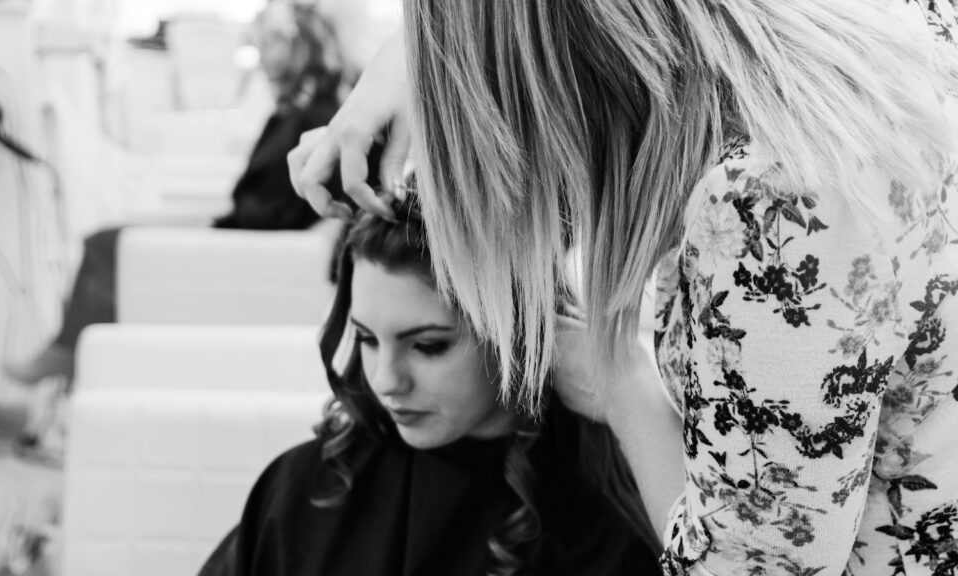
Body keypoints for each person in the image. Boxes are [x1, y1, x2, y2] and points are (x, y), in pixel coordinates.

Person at [287, 1, 958, 574]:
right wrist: (416, 55)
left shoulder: (772, 199)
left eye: (430, 344)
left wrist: (622, 385)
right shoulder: (898, 36)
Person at [198, 193, 662, 576]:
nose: (386, 381)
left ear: (520, 335)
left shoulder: (604, 523)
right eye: (367, 339)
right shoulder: (307, 489)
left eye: (428, 346)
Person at [4, 1, 357, 388]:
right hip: (244, 235)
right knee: (108, 238)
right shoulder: (296, 112)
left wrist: (215, 223)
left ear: (300, 46)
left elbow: (277, 210)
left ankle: (67, 355)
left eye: (270, 44)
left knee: (104, 246)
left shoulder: (314, 119)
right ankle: (71, 358)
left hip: (254, 250)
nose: (261, 57)